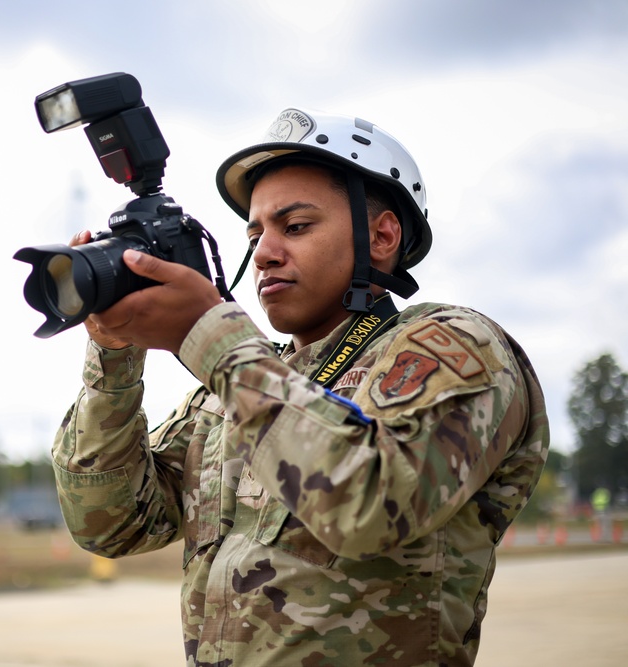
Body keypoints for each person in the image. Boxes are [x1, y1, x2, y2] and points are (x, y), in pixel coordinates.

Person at [50, 107, 550, 666]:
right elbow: (110, 523)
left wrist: (210, 337)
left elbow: (371, 503)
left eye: (296, 226)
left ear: (382, 236)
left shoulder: (454, 343)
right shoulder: (237, 388)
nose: (263, 252)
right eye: (254, 232)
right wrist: (113, 356)